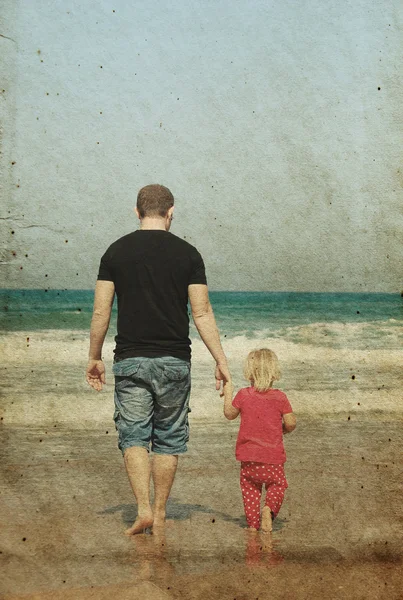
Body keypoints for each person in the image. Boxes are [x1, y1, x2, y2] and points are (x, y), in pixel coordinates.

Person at [86, 184, 231, 535]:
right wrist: (221, 360)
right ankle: (162, 511)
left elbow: (101, 311)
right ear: (171, 213)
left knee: (133, 436)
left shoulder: (114, 253)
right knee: (168, 438)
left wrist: (94, 357)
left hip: (131, 360)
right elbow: (203, 312)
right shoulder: (189, 254)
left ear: (137, 212)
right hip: (175, 361)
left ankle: (143, 509)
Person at [222, 348, 296, 533]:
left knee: (250, 490)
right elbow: (291, 423)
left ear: (249, 372)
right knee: (278, 485)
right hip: (273, 458)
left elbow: (229, 414)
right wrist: (283, 431)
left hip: (249, 458)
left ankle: (253, 526)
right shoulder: (280, 397)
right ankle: (268, 510)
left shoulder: (243, 394)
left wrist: (228, 392)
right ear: (274, 372)